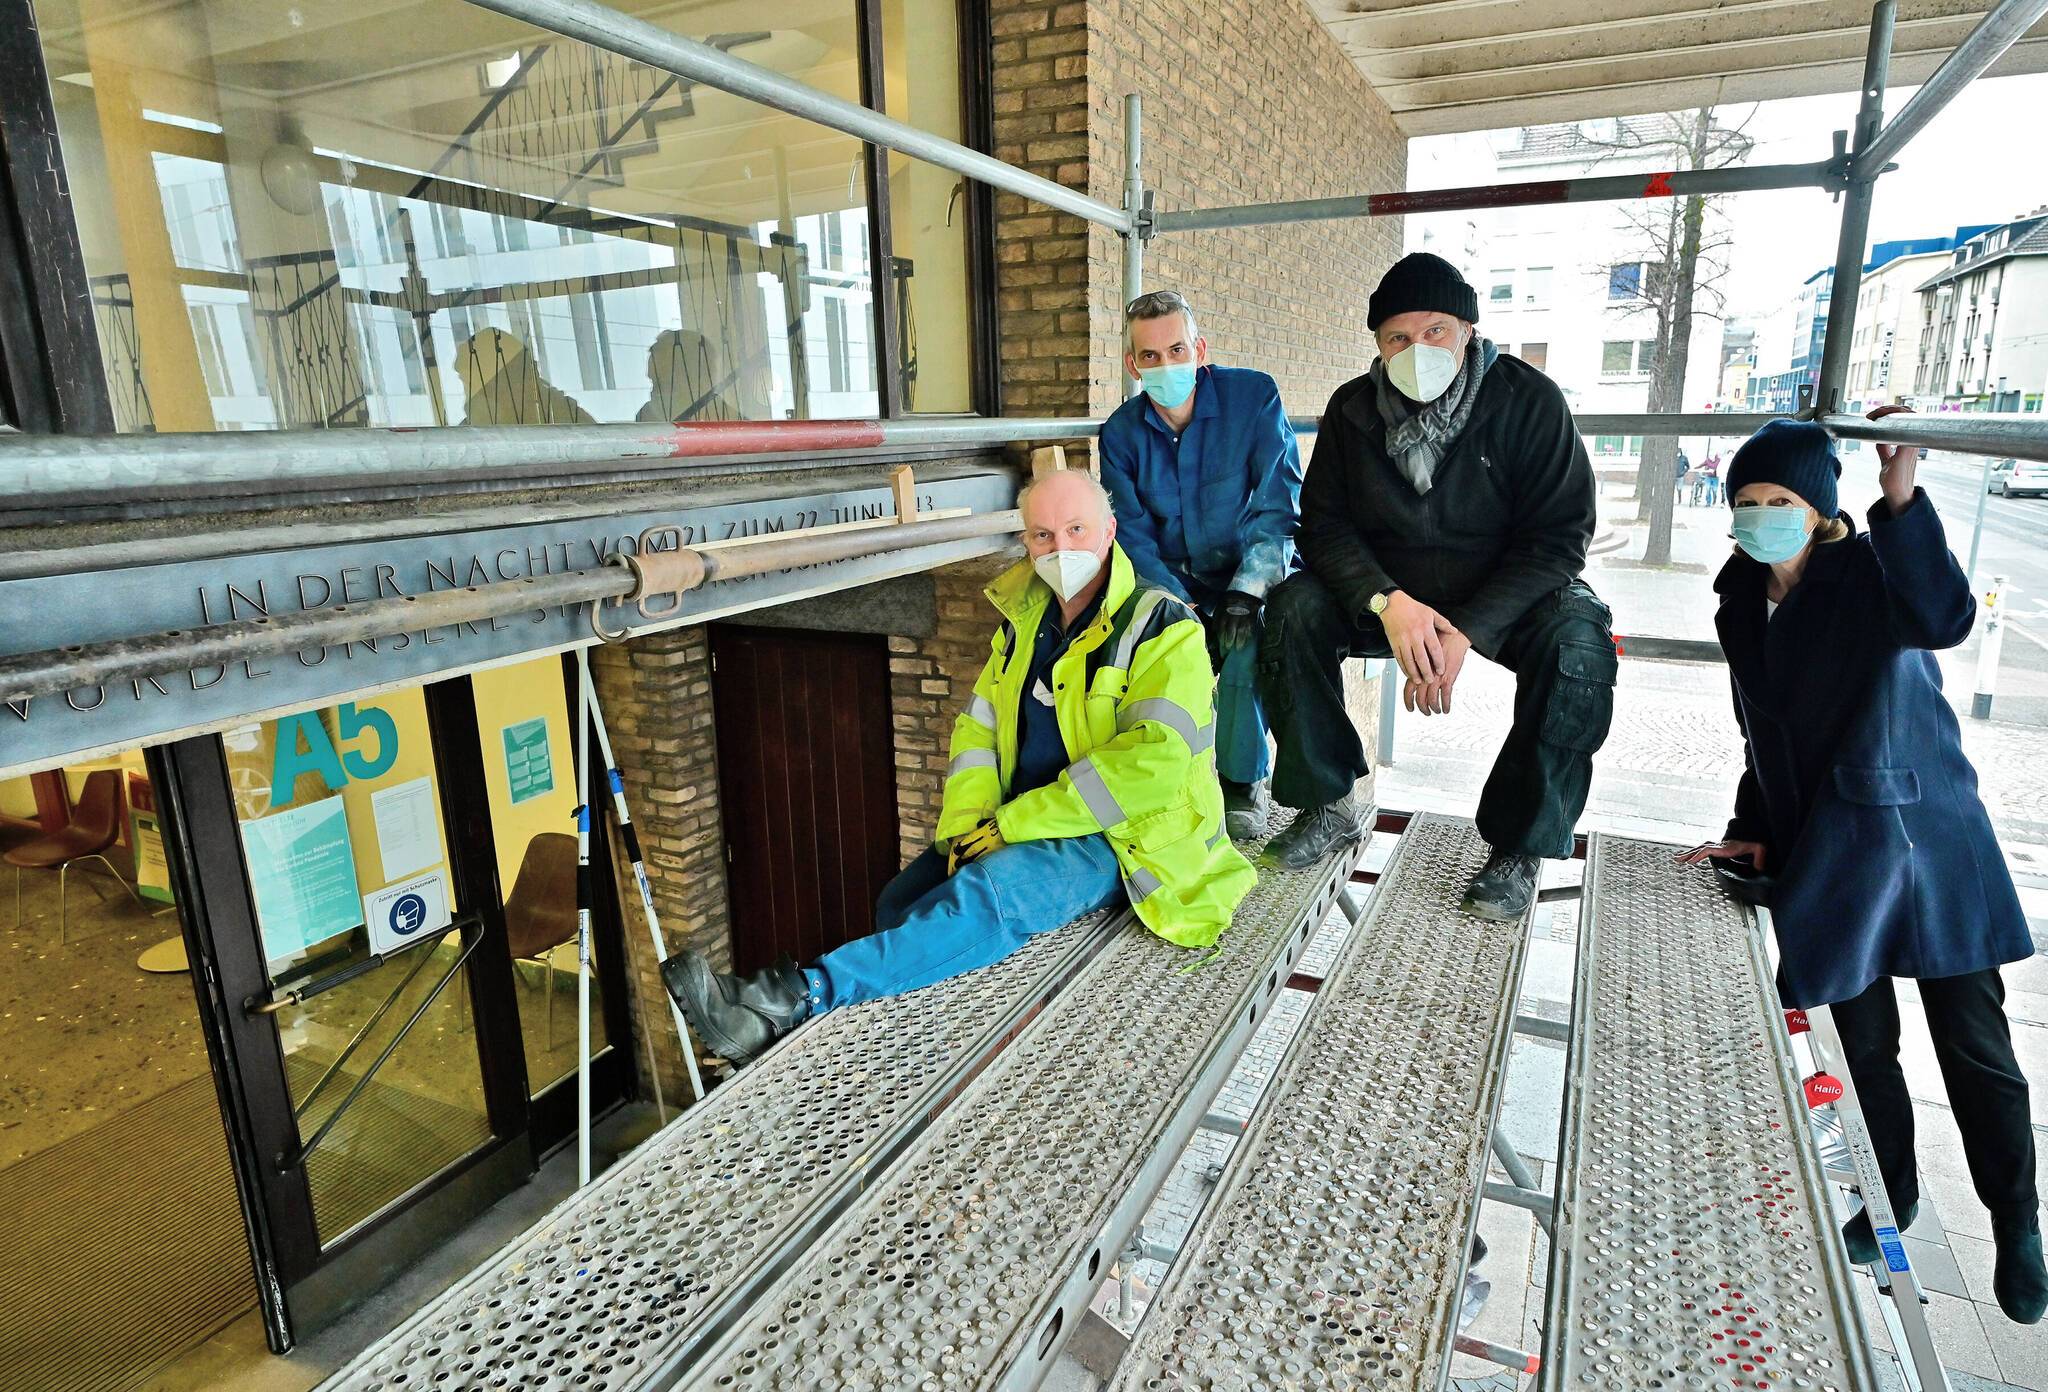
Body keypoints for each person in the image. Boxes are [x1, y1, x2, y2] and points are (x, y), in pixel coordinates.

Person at [660, 468, 1256, 1065]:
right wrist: (970, 828)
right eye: (1043, 535)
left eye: (1076, 529)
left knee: (988, 892)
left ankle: (789, 999)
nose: (1061, 548)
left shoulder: (1163, 626)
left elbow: (1152, 764)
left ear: (1109, 532)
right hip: (1032, 815)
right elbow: (980, 734)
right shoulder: (1026, 622)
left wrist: (1011, 830)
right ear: (1027, 542)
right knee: (904, 895)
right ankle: (903, 1029)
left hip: (1125, 834)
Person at [1678, 412, 2046, 1323]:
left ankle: (2017, 1222)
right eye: (1748, 502)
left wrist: (1903, 498)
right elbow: (1759, 731)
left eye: (1783, 501)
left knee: (1975, 1045)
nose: (1761, 516)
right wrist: (1751, 826)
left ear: (1821, 511)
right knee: (1861, 1044)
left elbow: (1945, 618)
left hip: (1925, 835)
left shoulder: (1871, 575)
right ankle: (1893, 1192)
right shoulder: (1738, 598)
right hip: (1829, 847)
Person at [1258, 253, 1613, 920]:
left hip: (1501, 592)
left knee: (1580, 643)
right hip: (1389, 593)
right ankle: (1326, 804)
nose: (1416, 350)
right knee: (1291, 608)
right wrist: (1386, 603)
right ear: (1377, 345)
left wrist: (1470, 628)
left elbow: (1562, 537)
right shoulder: (1352, 409)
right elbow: (1325, 529)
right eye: (1397, 338)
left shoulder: (1529, 401)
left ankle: (1519, 847)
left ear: (1469, 332)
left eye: (1435, 331)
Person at [1097, 290, 1303, 840]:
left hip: (1247, 567)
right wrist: (1174, 603)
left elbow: (1277, 502)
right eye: (1150, 356)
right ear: (1133, 364)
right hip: (1169, 577)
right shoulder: (1119, 435)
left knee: (1244, 643)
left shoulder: (1253, 398)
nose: (1166, 365)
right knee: (1159, 648)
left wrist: (1247, 590)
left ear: (1200, 349)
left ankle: (1239, 783)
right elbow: (1132, 534)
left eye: (1176, 349)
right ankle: (1162, 780)